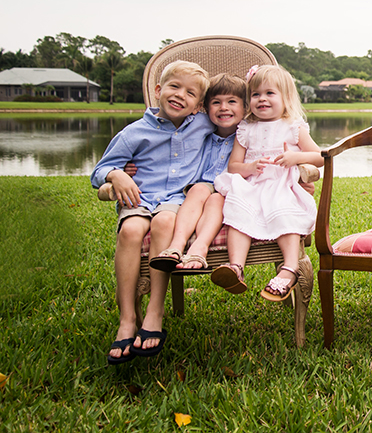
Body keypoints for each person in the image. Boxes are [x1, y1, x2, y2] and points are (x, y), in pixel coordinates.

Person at [91, 60, 212, 364]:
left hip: (174, 200)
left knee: (164, 223)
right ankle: (127, 319)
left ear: (198, 105)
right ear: (158, 90)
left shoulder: (202, 124)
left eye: (190, 93)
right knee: (131, 231)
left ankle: (154, 312)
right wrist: (116, 175)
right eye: (174, 87)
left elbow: (236, 116)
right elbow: (100, 170)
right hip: (139, 198)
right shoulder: (134, 133)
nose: (180, 95)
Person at [210, 64, 324, 302]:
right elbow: (234, 166)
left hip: (282, 185)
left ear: (286, 98)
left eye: (269, 93)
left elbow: (319, 156)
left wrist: (296, 157)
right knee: (238, 212)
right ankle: (236, 267)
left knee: (286, 213)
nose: (262, 99)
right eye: (255, 94)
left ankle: (290, 267)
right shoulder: (246, 128)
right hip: (253, 184)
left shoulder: (293, 127)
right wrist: (249, 168)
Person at [148, 74, 247, 274]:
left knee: (215, 199)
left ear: (245, 108)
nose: (224, 108)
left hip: (233, 191)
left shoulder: (248, 136)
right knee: (199, 189)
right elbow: (166, 148)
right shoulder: (198, 132)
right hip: (198, 189)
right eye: (216, 102)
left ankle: (199, 247)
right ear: (205, 108)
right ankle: (176, 246)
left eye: (232, 102)